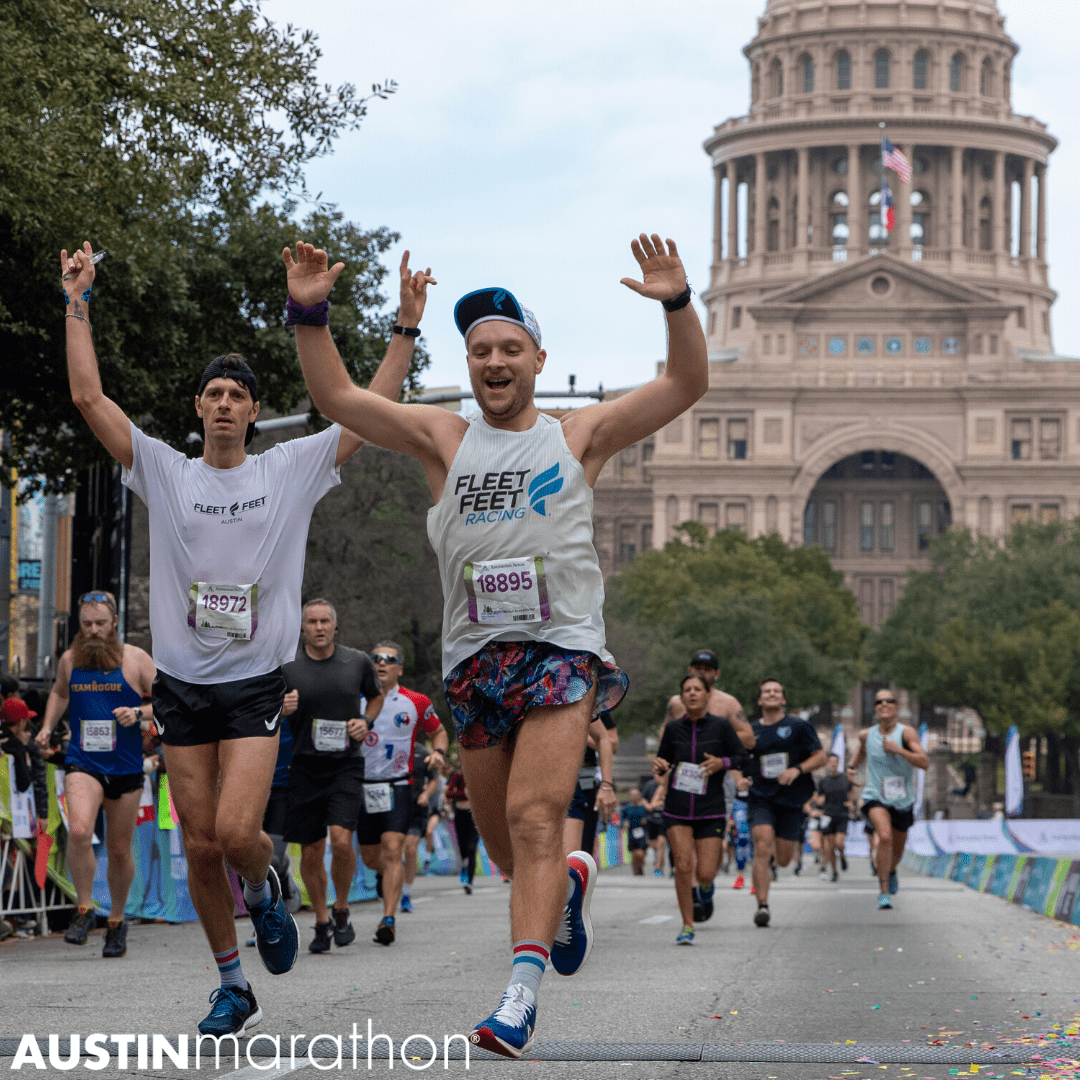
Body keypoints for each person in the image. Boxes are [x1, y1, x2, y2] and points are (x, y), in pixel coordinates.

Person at [287, 231, 707, 1057]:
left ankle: (518, 999)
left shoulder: (579, 435)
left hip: (559, 650)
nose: (494, 360)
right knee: (517, 851)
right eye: (480, 349)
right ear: (470, 364)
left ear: (538, 359)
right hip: (476, 663)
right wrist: (310, 309)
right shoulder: (444, 439)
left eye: (511, 347)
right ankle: (571, 888)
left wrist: (677, 305)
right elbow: (337, 397)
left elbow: (686, 382)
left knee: (535, 814)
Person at [60, 238, 433, 1035]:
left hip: (259, 682)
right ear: (199, 410)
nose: (225, 402)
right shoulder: (164, 469)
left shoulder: (288, 469)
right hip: (183, 684)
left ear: (254, 412)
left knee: (236, 834)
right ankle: (233, 983)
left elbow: (366, 412)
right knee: (199, 847)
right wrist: (77, 300)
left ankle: (265, 894)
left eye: (238, 394)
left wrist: (404, 327)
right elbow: (91, 400)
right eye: (214, 393)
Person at [35, 591, 156, 957]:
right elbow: (59, 693)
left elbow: (166, 699)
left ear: (114, 623)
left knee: (119, 850)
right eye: (86, 624)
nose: (93, 630)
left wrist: (138, 714)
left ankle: (116, 921)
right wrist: (46, 726)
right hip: (83, 761)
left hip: (126, 766)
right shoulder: (71, 660)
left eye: (100, 623)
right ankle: (84, 909)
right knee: (80, 830)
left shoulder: (135, 659)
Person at [281, 598, 383, 953]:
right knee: (311, 850)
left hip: (345, 764)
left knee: (341, 841)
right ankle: (322, 919)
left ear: (335, 626)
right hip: (305, 766)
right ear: (303, 627)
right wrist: (281, 707)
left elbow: (375, 697)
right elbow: (265, 706)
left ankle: (342, 908)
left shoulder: (356, 661)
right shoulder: (288, 665)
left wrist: (365, 721)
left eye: (325, 621)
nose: (319, 627)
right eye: (312, 622)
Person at [358, 641, 448, 945]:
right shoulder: (355, 698)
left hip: (399, 785)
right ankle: (388, 877)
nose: (382, 663)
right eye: (376, 659)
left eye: (389, 659)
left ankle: (388, 918)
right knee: (372, 857)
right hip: (362, 786)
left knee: (393, 849)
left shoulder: (415, 701)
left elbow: (438, 731)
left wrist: (438, 752)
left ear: (400, 667)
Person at [652, 673, 747, 944]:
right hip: (677, 808)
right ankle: (687, 924)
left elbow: (742, 757)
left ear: (707, 695)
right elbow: (663, 761)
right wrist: (659, 766)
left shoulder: (721, 726)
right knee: (683, 866)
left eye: (697, 689)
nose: (692, 693)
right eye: (687, 690)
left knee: (705, 871)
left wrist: (723, 763)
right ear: (682, 697)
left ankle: (707, 886)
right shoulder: (673, 729)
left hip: (711, 808)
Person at [745, 678, 826, 927]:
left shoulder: (799, 726)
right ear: (760, 700)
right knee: (761, 844)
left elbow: (820, 756)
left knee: (782, 858)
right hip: (760, 796)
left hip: (791, 799)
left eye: (776, 691)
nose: (771, 694)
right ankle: (762, 906)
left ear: (783, 699)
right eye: (766, 691)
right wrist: (741, 777)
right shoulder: (750, 730)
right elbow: (740, 759)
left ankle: (771, 863)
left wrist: (798, 769)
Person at [846, 688, 928, 909]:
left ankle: (891, 870)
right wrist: (852, 767)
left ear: (896, 707)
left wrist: (899, 750)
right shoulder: (866, 734)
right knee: (883, 837)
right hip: (875, 795)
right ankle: (883, 890)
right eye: (879, 701)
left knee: (897, 850)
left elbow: (924, 762)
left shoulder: (906, 733)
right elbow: (862, 751)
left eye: (889, 701)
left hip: (902, 798)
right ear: (875, 708)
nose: (884, 704)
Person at [661, 649, 754, 750]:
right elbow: (664, 733)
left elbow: (749, 740)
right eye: (697, 668)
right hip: (684, 762)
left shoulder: (729, 702)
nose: (701, 672)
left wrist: (714, 738)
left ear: (717, 674)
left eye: (708, 669)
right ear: (689, 670)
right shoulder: (676, 702)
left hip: (716, 762)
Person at [563, 715, 617, 857]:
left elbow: (611, 742)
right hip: (543, 780)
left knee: (578, 853)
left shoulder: (595, 705)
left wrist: (606, 785)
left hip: (584, 782)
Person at [401, 741, 441, 911]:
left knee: (410, 849)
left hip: (415, 807)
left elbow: (434, 780)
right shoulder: (387, 744)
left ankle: (406, 894)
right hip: (390, 805)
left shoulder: (423, 753)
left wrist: (426, 794)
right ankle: (387, 879)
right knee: (391, 851)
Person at [814, 753, 854, 882]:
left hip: (842, 815)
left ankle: (842, 855)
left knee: (839, 843)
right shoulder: (823, 780)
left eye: (835, 761)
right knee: (829, 847)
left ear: (838, 763)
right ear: (827, 764)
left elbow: (851, 792)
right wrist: (818, 802)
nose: (833, 764)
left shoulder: (844, 779)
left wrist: (851, 802)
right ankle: (835, 871)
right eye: (830, 761)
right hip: (828, 815)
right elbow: (818, 796)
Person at [445, 765, 478, 894]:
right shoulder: (457, 775)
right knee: (463, 848)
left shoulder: (477, 774)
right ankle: (464, 864)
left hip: (474, 815)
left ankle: (469, 882)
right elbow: (449, 793)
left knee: (471, 848)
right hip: (460, 813)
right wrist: (463, 794)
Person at [640, 774, 668, 877]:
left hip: (664, 818)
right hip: (652, 819)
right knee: (653, 843)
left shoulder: (667, 786)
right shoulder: (650, 785)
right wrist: (649, 806)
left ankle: (658, 866)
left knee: (661, 842)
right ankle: (660, 859)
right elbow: (644, 799)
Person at [620, 789, 649, 875]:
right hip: (631, 834)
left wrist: (645, 820)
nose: (634, 797)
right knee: (634, 853)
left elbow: (649, 817)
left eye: (636, 795)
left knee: (641, 853)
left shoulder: (643, 807)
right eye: (632, 795)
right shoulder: (627, 808)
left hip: (642, 834)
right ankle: (636, 870)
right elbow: (622, 819)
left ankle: (640, 864)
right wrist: (624, 823)